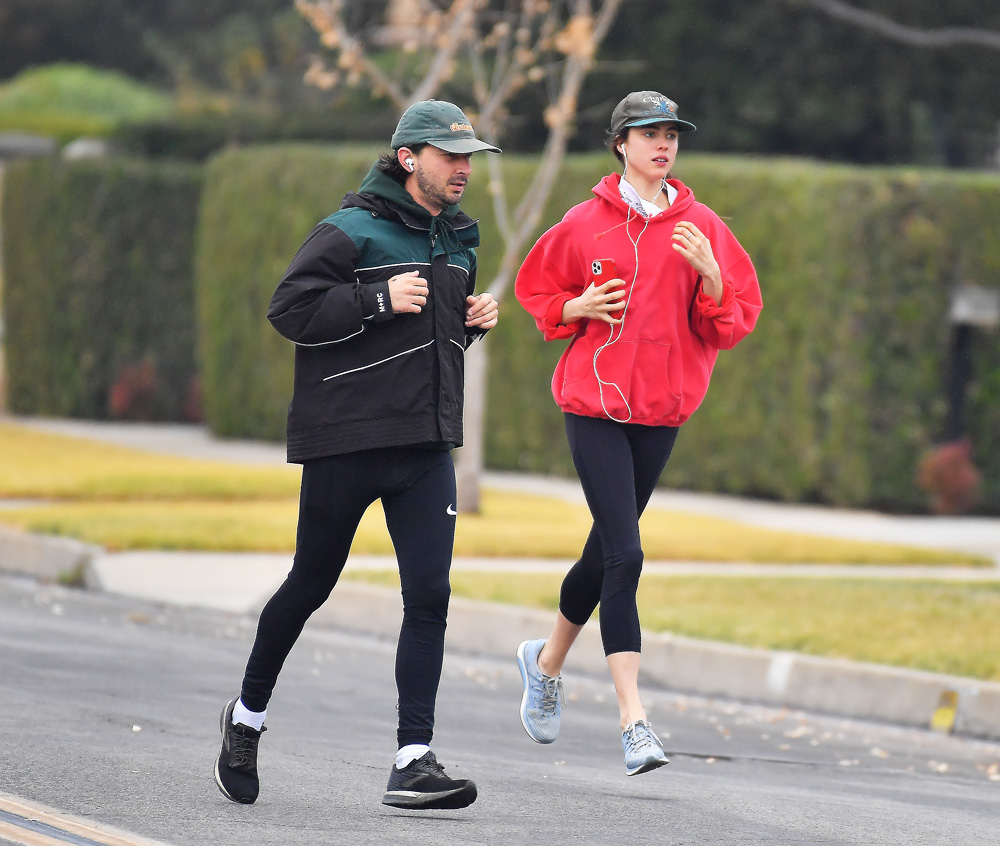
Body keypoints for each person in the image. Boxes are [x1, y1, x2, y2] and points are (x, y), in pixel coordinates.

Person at [214, 100, 500, 810]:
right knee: (310, 583)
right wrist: (376, 297)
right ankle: (246, 719)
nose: (464, 169)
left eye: (469, 157)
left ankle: (413, 758)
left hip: (426, 446)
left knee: (429, 595)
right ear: (410, 158)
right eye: (450, 155)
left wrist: (469, 324)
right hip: (346, 441)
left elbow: (430, 350)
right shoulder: (348, 231)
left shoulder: (460, 241)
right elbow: (291, 309)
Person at [513, 91, 762, 775]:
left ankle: (545, 662)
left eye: (671, 135)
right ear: (620, 143)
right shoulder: (584, 223)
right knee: (627, 554)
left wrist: (712, 276)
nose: (664, 145)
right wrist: (575, 304)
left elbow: (733, 322)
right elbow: (538, 293)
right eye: (649, 134)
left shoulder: (703, 225)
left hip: (661, 412)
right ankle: (634, 721)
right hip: (592, 406)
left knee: (603, 556)